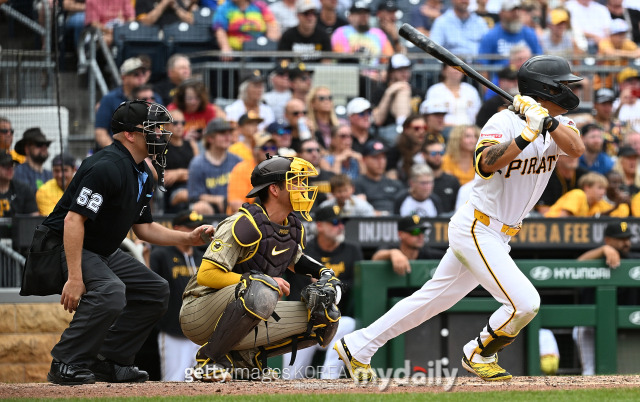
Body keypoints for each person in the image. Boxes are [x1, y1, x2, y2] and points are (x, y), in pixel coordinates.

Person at [333, 55, 585, 383]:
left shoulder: (560, 124)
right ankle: (479, 352)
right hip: (477, 226)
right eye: (563, 84)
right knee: (525, 303)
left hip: (500, 235)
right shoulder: (502, 123)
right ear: (546, 88)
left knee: (431, 300)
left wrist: (546, 123)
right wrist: (525, 134)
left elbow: (576, 149)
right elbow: (484, 164)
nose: (569, 90)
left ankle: (358, 345)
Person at [31, 100, 214, 385]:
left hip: (100, 249)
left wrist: (188, 237)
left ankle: (111, 360)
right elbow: (72, 221)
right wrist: (76, 278)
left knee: (155, 290)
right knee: (110, 290)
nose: (163, 135)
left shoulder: (142, 171)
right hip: (64, 245)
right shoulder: (106, 166)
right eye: (154, 129)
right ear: (130, 134)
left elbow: (144, 229)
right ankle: (66, 362)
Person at [179, 155, 343, 382]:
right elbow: (207, 274)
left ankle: (247, 361)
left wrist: (325, 273)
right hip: (199, 310)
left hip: (241, 308)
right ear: (274, 189)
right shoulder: (242, 223)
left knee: (326, 316)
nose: (302, 188)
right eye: (295, 181)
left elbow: (295, 259)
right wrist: (257, 280)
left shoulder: (291, 226)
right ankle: (209, 361)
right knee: (262, 288)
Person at [283, 205, 363, 379]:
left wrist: (333, 284)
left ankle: (329, 380)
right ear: (319, 226)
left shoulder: (352, 250)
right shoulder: (303, 250)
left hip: (335, 319)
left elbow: (358, 284)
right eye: (334, 222)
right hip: (303, 320)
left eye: (342, 222)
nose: (340, 226)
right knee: (291, 376)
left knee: (348, 324)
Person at [574, 220, 640, 375]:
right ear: (608, 240)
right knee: (590, 371)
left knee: (629, 372)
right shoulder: (596, 260)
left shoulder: (634, 259)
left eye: (628, 238)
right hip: (592, 326)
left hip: (628, 327)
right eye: (621, 239)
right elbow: (577, 264)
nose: (626, 243)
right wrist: (603, 250)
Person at [150, 210, 205, 381]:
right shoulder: (161, 254)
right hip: (173, 330)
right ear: (176, 228)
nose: (193, 232)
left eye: (196, 228)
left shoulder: (202, 257)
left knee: (202, 382)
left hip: (200, 332)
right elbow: (152, 287)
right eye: (189, 228)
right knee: (174, 380)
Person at [95, 58, 162, 149]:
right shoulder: (109, 99)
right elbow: (100, 133)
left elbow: (162, 126)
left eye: (143, 72)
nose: (141, 76)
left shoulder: (154, 97)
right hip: (117, 152)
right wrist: (118, 153)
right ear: (124, 78)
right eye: (136, 74)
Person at [187, 118, 241, 215]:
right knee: (200, 207)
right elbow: (194, 195)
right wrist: (217, 199)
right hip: (210, 208)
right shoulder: (198, 163)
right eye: (222, 134)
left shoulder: (238, 161)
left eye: (229, 133)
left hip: (234, 206)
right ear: (210, 138)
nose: (227, 137)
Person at [371, 54, 423, 145]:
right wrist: (389, 92)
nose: (405, 73)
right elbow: (378, 120)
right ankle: (402, 127)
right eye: (400, 70)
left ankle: (404, 128)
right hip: (388, 130)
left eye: (407, 69)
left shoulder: (417, 92)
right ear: (391, 73)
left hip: (414, 130)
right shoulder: (381, 91)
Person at [371, 215, 445, 276]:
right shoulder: (391, 248)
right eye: (415, 232)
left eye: (422, 231)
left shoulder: (428, 253)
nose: (420, 236)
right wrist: (393, 253)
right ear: (400, 234)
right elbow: (376, 257)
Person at [330, 1, 394, 66]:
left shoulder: (379, 34)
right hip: (351, 72)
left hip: (375, 73)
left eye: (366, 13)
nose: (363, 16)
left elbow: (388, 58)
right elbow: (340, 58)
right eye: (359, 13)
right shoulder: (341, 32)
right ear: (350, 16)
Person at [353, 140, 405, 216]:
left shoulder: (396, 184)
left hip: (395, 222)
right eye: (375, 158)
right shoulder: (356, 184)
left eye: (383, 157)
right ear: (364, 160)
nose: (381, 162)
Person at [213, 0, 280, 58]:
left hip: (259, 51)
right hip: (235, 53)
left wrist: (270, 45)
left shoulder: (260, 6)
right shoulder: (224, 8)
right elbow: (220, 29)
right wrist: (225, 47)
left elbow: (272, 25)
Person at [162, 109, 199, 214]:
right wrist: (189, 174)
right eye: (175, 123)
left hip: (193, 187)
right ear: (166, 125)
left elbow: (200, 172)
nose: (179, 126)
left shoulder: (191, 144)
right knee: (186, 195)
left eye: (182, 123)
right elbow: (162, 176)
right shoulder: (161, 147)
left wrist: (179, 173)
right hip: (172, 192)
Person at [168, 79, 224, 144]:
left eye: (197, 98)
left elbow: (215, 130)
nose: (193, 102)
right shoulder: (173, 109)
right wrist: (183, 136)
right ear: (182, 98)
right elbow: (167, 133)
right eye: (189, 98)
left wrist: (207, 134)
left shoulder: (209, 109)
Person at [544, 172, 615, 218]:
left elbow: (616, 213)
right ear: (587, 187)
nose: (603, 192)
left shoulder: (596, 203)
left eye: (605, 189)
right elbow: (562, 218)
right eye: (600, 188)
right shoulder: (578, 194)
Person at [385, 114, 428, 183]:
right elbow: (391, 177)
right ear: (406, 130)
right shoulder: (395, 152)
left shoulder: (428, 150)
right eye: (417, 128)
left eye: (425, 128)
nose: (422, 131)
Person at [13, 127, 53, 195]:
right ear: (27, 149)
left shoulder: (50, 175)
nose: (44, 147)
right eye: (39, 144)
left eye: (46, 144)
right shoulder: (18, 172)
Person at [423, 140, 460, 214]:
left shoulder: (452, 181)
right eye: (433, 153)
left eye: (441, 153)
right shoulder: (418, 181)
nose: (438, 156)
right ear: (424, 155)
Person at [0, 151, 38, 217]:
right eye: (5, 165)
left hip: (19, 227)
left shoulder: (24, 189)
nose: (10, 169)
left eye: (12, 165)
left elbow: (34, 217)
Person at [306, 86, 339, 150]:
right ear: (313, 103)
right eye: (322, 98)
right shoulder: (308, 125)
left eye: (330, 98)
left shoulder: (340, 124)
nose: (327, 101)